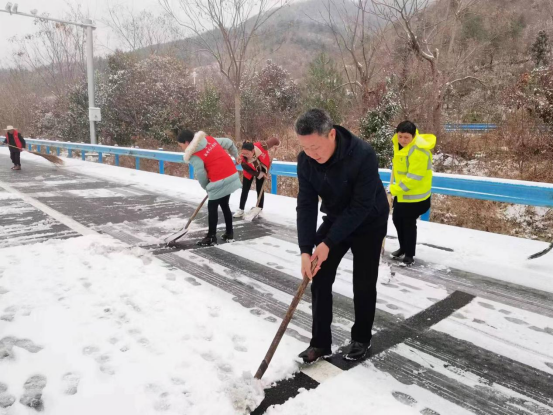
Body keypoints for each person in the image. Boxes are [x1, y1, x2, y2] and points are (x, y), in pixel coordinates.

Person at [295, 109, 389, 363]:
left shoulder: (363, 155)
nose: (312, 154)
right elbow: (306, 204)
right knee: (319, 276)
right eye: (306, 148)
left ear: (332, 134)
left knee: (364, 281)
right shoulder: (305, 161)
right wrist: (306, 249)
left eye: (316, 147)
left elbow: (361, 207)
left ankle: (361, 339)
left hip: (369, 219)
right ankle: (320, 343)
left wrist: (327, 243)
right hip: (336, 217)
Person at [177, 130, 241, 246]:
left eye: (181, 145)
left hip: (219, 180)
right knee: (224, 205)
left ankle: (211, 237)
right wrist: (236, 156)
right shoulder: (210, 140)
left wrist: (207, 187)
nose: (182, 148)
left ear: (186, 142)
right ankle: (229, 234)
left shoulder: (194, 155)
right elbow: (229, 143)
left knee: (212, 207)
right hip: (231, 174)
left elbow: (201, 175)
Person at [389, 121, 436, 266]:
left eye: (406, 137)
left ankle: (409, 255)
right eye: (400, 136)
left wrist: (393, 189)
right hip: (403, 194)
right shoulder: (398, 145)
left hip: (417, 197)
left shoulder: (419, 151)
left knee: (408, 224)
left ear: (413, 136)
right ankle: (403, 248)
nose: (402, 140)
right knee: (397, 219)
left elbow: (414, 178)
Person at [233, 137, 280, 218]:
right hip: (250, 171)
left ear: (253, 151)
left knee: (260, 188)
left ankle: (259, 207)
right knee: (245, 189)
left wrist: (277, 145)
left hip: (261, 168)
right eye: (243, 153)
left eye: (247, 154)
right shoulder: (243, 159)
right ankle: (241, 210)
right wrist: (260, 174)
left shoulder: (262, 146)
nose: (245, 156)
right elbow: (250, 171)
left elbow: (275, 140)